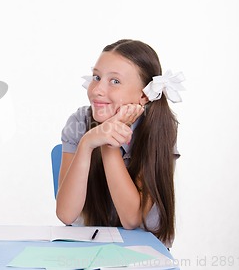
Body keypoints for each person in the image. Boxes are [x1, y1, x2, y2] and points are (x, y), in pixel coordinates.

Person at [56, 39, 184, 246]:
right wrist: (88, 142)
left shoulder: (158, 129)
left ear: (144, 95)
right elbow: (66, 214)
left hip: (143, 252)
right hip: (88, 247)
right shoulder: (79, 122)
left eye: (115, 81)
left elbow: (131, 218)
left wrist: (110, 141)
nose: (97, 89)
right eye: (96, 77)